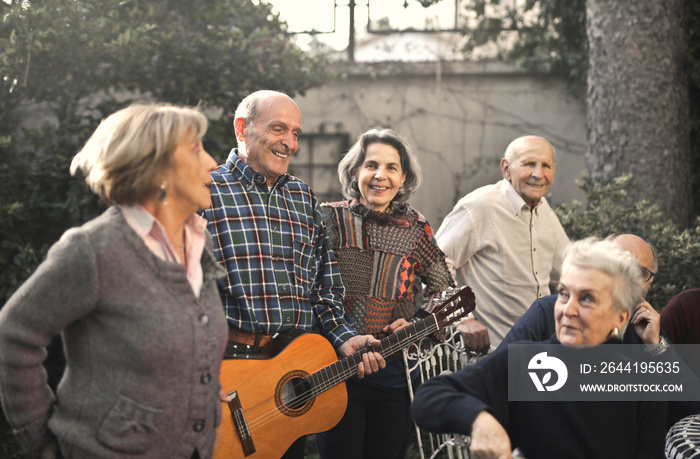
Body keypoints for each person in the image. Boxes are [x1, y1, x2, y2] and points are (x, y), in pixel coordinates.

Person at [0, 104, 228, 458]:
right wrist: (40, 441)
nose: (214, 162)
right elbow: (13, 334)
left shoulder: (199, 243)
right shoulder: (93, 249)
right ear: (157, 167)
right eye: (197, 149)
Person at [201, 90, 385, 458]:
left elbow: (325, 289)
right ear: (242, 128)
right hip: (227, 376)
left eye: (296, 133)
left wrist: (344, 338)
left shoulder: (303, 198)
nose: (289, 143)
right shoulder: (205, 191)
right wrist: (194, 370)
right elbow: (178, 291)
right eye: (278, 129)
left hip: (292, 381)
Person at [412, 237, 667, 458]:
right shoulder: (526, 363)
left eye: (587, 298)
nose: (568, 310)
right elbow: (429, 397)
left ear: (620, 318)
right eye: (564, 293)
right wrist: (481, 421)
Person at [314, 128, 455, 459]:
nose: (381, 176)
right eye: (371, 165)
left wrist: (419, 321)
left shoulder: (416, 229)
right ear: (354, 172)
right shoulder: (329, 218)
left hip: (394, 373)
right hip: (336, 370)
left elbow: (444, 286)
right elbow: (313, 285)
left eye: (392, 167)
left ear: (403, 176)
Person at [436, 135, 570, 351]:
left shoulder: (545, 211)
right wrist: (462, 318)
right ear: (506, 169)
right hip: (492, 356)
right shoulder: (479, 206)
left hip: (542, 353)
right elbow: (435, 265)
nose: (538, 173)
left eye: (546, 165)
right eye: (529, 164)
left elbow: (569, 271)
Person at [500, 233, 666, 351]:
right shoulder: (546, 312)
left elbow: (685, 398)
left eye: (640, 273)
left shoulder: (649, 329)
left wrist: (657, 346)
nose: (569, 310)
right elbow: (487, 381)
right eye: (616, 267)